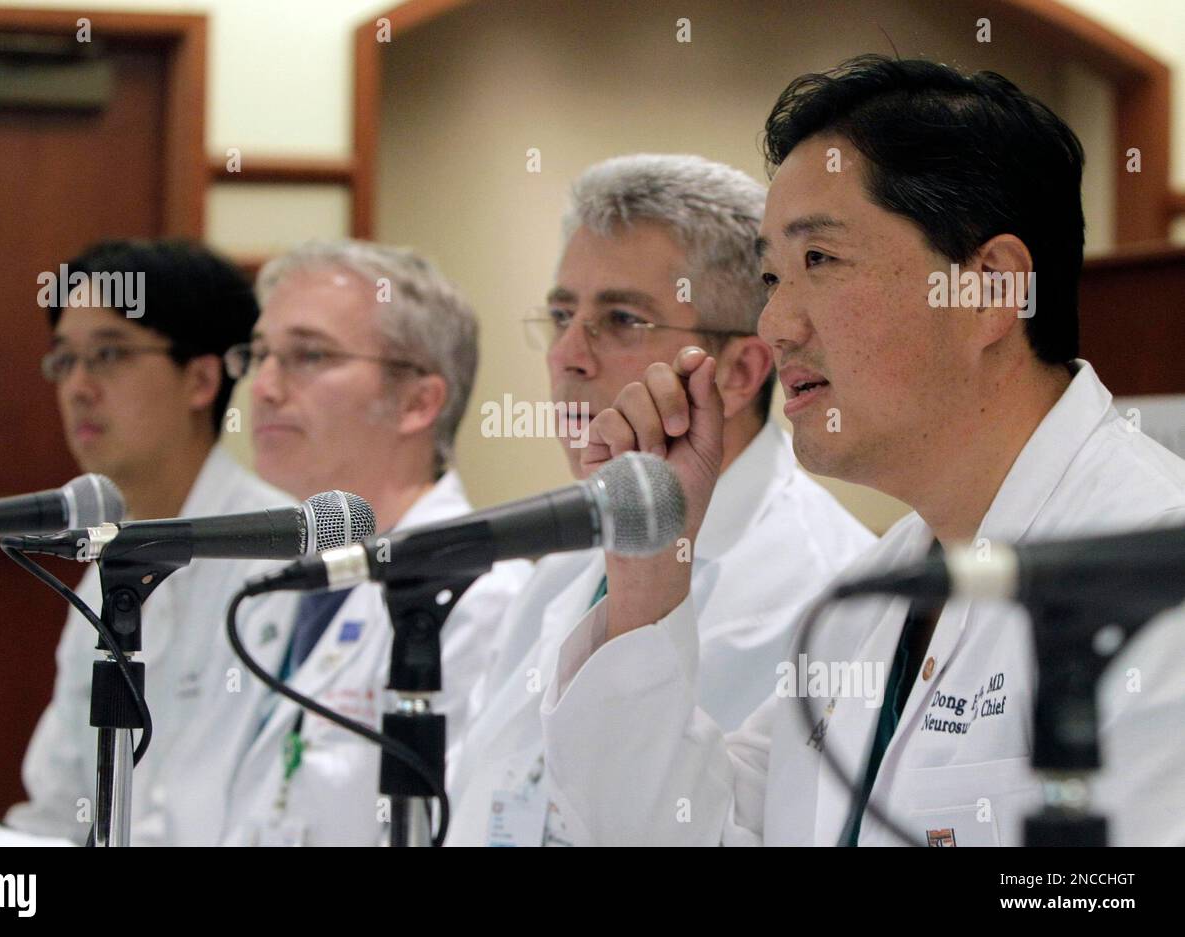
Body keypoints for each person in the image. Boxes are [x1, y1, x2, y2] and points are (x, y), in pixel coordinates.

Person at [539, 57, 1185, 846]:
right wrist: (649, 566)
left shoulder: (1159, 578)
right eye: (771, 277)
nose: (776, 325)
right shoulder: (870, 599)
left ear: (990, 287)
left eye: (819, 260)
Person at [445, 154, 874, 845]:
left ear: (738, 371)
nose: (566, 355)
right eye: (561, 314)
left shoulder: (824, 592)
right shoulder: (562, 572)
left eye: (621, 318)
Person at [219, 240, 530, 845]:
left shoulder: (481, 599)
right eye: (260, 356)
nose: (263, 388)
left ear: (418, 402)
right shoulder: (277, 582)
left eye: (309, 355)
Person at [6, 239, 297, 845]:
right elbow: (59, 802)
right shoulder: (104, 562)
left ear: (201, 379)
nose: (77, 387)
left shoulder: (277, 555)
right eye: (64, 360)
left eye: (108, 354)